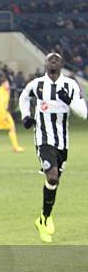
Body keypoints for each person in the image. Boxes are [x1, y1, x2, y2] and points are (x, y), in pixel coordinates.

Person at [19, 52, 87, 243]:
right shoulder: (37, 84)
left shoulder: (71, 85)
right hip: (43, 139)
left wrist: (69, 100)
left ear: (62, 63)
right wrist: (25, 115)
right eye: (50, 58)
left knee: (54, 183)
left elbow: (83, 113)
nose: (54, 59)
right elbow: (24, 97)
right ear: (45, 63)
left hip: (62, 143)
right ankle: (45, 219)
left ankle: (44, 218)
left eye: (57, 57)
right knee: (52, 175)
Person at [0, 78, 24, 155]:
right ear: (3, 84)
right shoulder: (0, 91)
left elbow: (6, 103)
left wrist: (8, 94)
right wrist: (4, 114)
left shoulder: (4, 91)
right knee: (0, 129)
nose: (8, 85)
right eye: (7, 84)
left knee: (8, 128)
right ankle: (14, 147)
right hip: (1, 112)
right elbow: (2, 104)